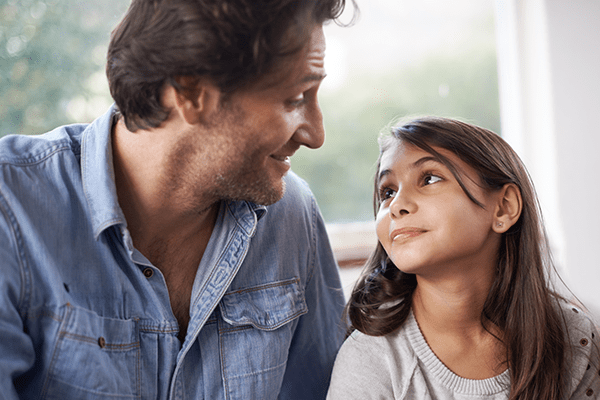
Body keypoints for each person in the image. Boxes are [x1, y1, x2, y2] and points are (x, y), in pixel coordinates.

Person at [0, 0, 355, 398]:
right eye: (295, 99)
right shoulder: (10, 212)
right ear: (190, 91)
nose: (315, 134)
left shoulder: (291, 215)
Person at [326, 117, 600, 399]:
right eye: (388, 191)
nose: (397, 205)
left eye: (429, 178)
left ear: (504, 208)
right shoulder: (369, 361)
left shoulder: (572, 337)